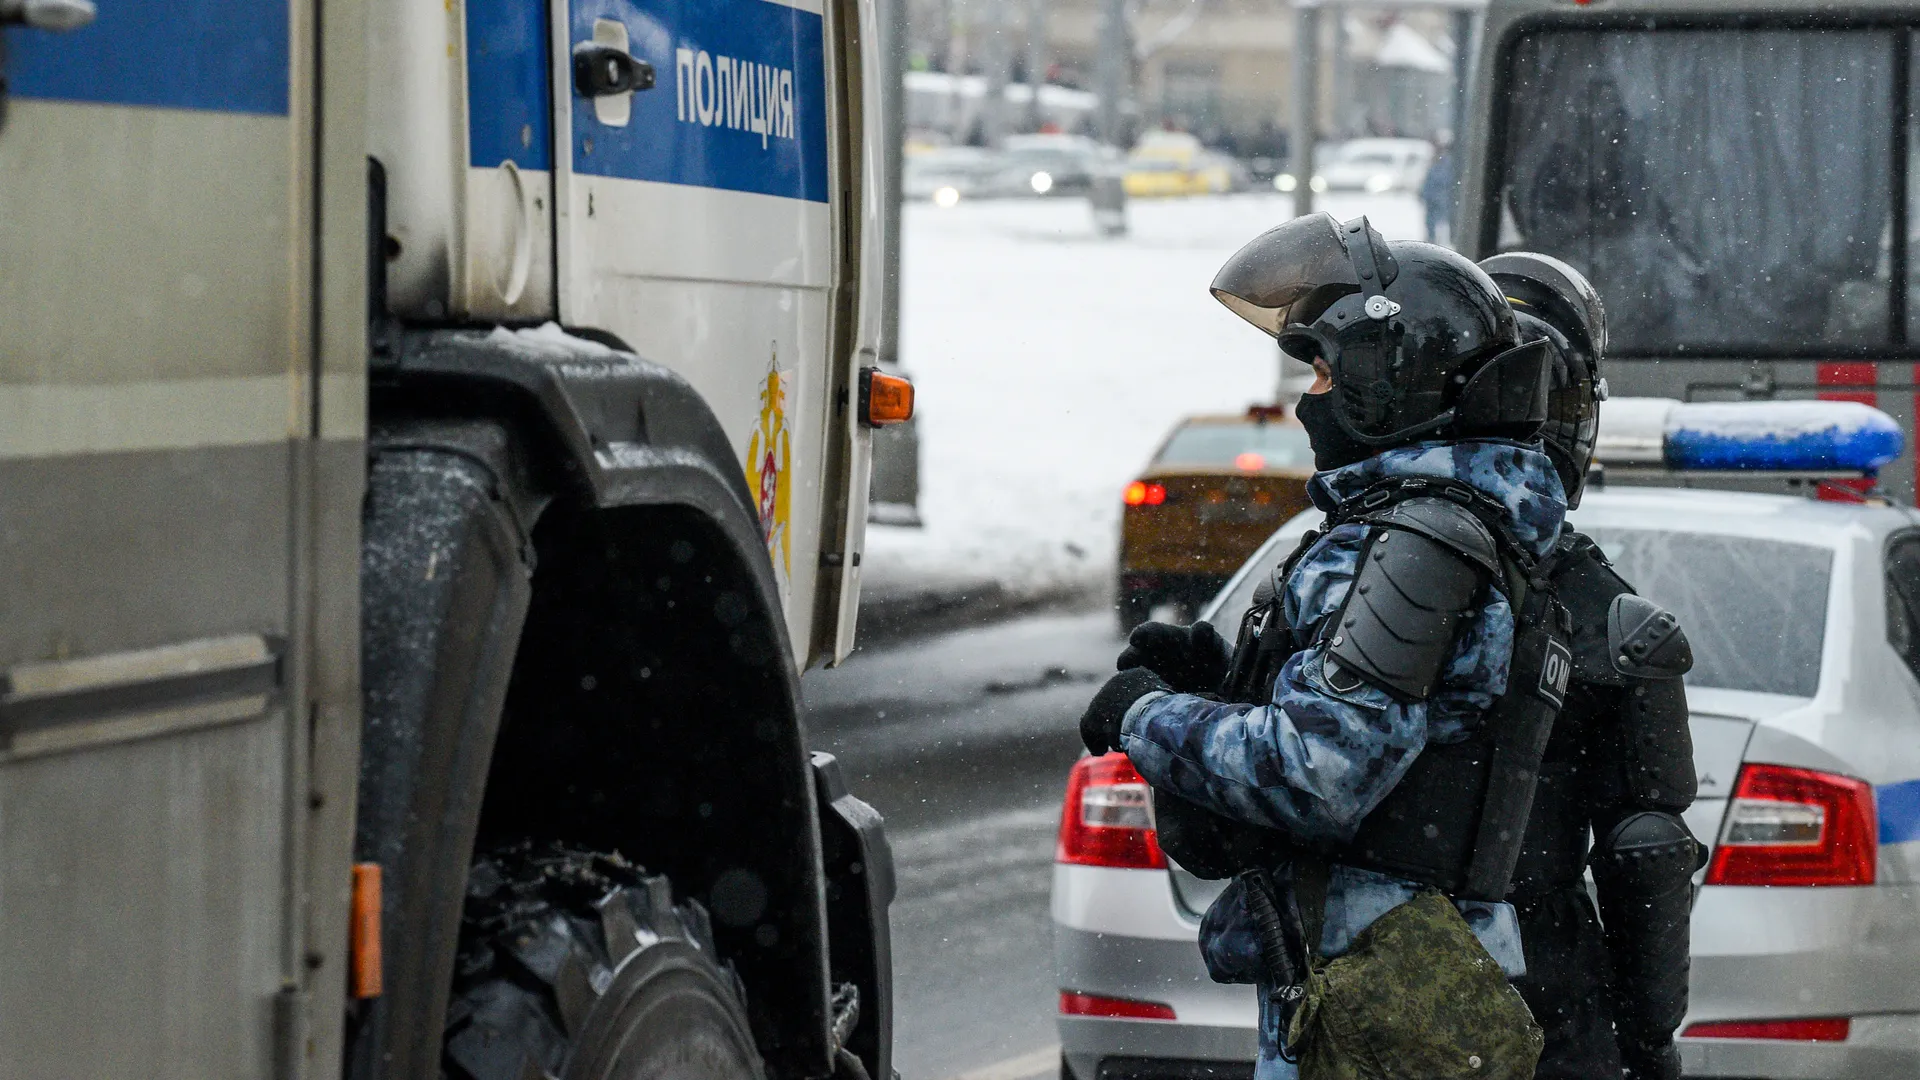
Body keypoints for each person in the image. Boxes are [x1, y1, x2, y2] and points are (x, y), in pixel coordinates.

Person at [1079, 213, 1568, 1079]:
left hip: (1380, 996)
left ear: (1393, 381)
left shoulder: (1417, 544)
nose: (1313, 395)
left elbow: (1319, 771)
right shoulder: (1439, 526)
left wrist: (1147, 717)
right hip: (1389, 985)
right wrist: (1225, 685)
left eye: (1325, 370)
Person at [1480, 251, 1703, 1080]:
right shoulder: (1590, 603)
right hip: (1539, 986)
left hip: (1351, 983)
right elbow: (1644, 851)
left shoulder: (1355, 551)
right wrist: (1648, 1043)